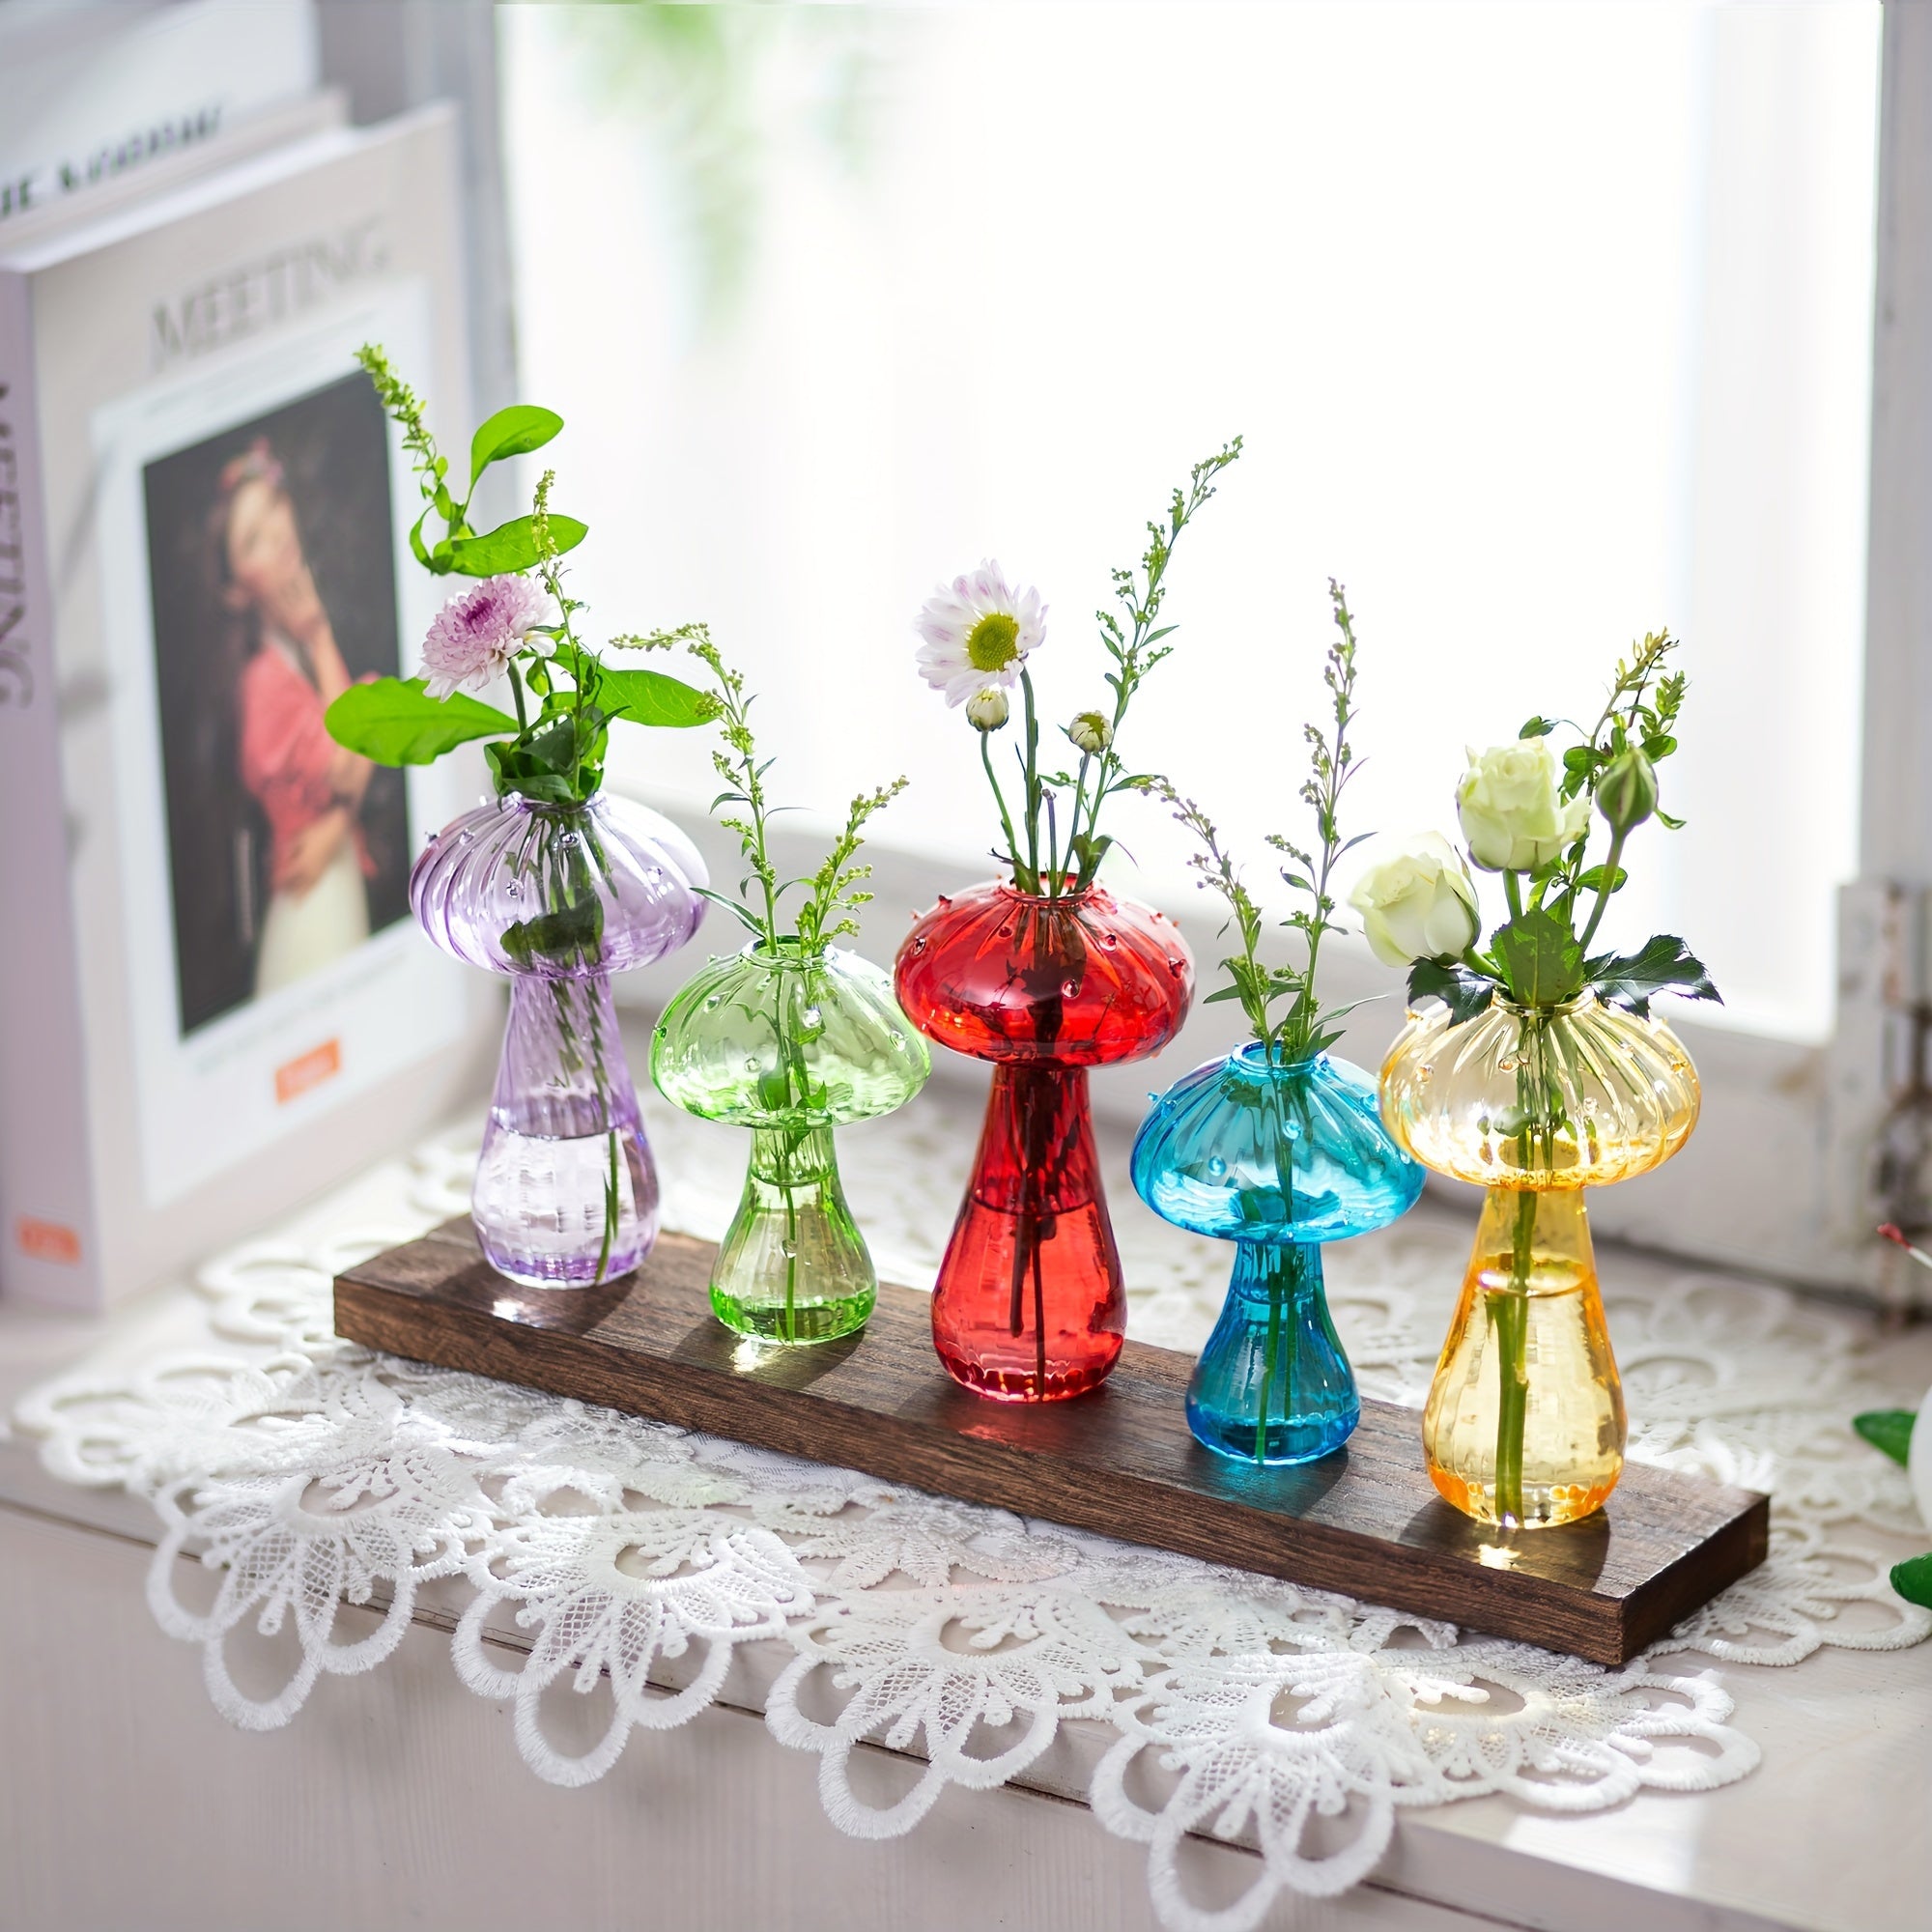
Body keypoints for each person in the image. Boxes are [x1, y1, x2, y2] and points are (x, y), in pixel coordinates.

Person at [212, 440, 376, 995]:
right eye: (253, 539)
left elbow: (375, 740)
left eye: (275, 509)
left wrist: (335, 826)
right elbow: (348, 764)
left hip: (336, 877)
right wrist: (319, 636)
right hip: (311, 903)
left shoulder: (307, 648)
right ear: (235, 588)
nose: (278, 534)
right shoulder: (263, 683)